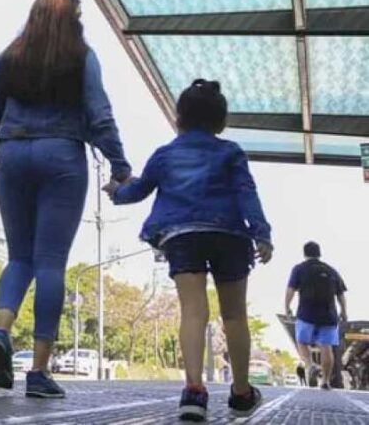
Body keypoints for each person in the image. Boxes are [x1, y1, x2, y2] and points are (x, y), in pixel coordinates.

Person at [0, 0, 131, 398]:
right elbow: (100, 113)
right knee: (51, 263)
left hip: (14, 155)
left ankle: (0, 332)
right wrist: (120, 164)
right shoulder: (82, 57)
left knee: (18, 257)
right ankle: (38, 372)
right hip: (62, 157)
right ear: (73, 18)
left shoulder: (9, 58)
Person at [107, 79, 273, 421]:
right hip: (229, 234)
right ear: (221, 122)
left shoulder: (165, 154)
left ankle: (194, 392)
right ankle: (241, 393)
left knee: (193, 312)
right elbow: (246, 193)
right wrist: (261, 234)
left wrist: (115, 191)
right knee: (235, 316)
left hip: (182, 235)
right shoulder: (231, 152)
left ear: (178, 117)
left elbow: (137, 190)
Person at [285, 241, 348, 391]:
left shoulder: (299, 269)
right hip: (328, 315)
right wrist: (344, 312)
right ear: (319, 253)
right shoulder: (331, 270)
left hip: (306, 313)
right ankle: (325, 381)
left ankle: (309, 365)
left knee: (301, 341)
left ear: (305, 253)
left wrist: (287, 307)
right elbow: (341, 294)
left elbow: (290, 290)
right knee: (326, 347)